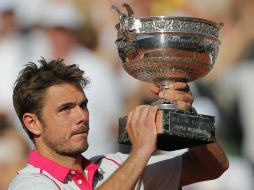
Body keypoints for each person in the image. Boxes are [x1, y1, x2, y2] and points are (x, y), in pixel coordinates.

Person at [8, 58, 229, 190]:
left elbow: (212, 166)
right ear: (32, 123)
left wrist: (187, 116)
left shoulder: (113, 165)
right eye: (65, 109)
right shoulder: (28, 184)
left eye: (83, 105)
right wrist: (140, 151)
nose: (82, 116)